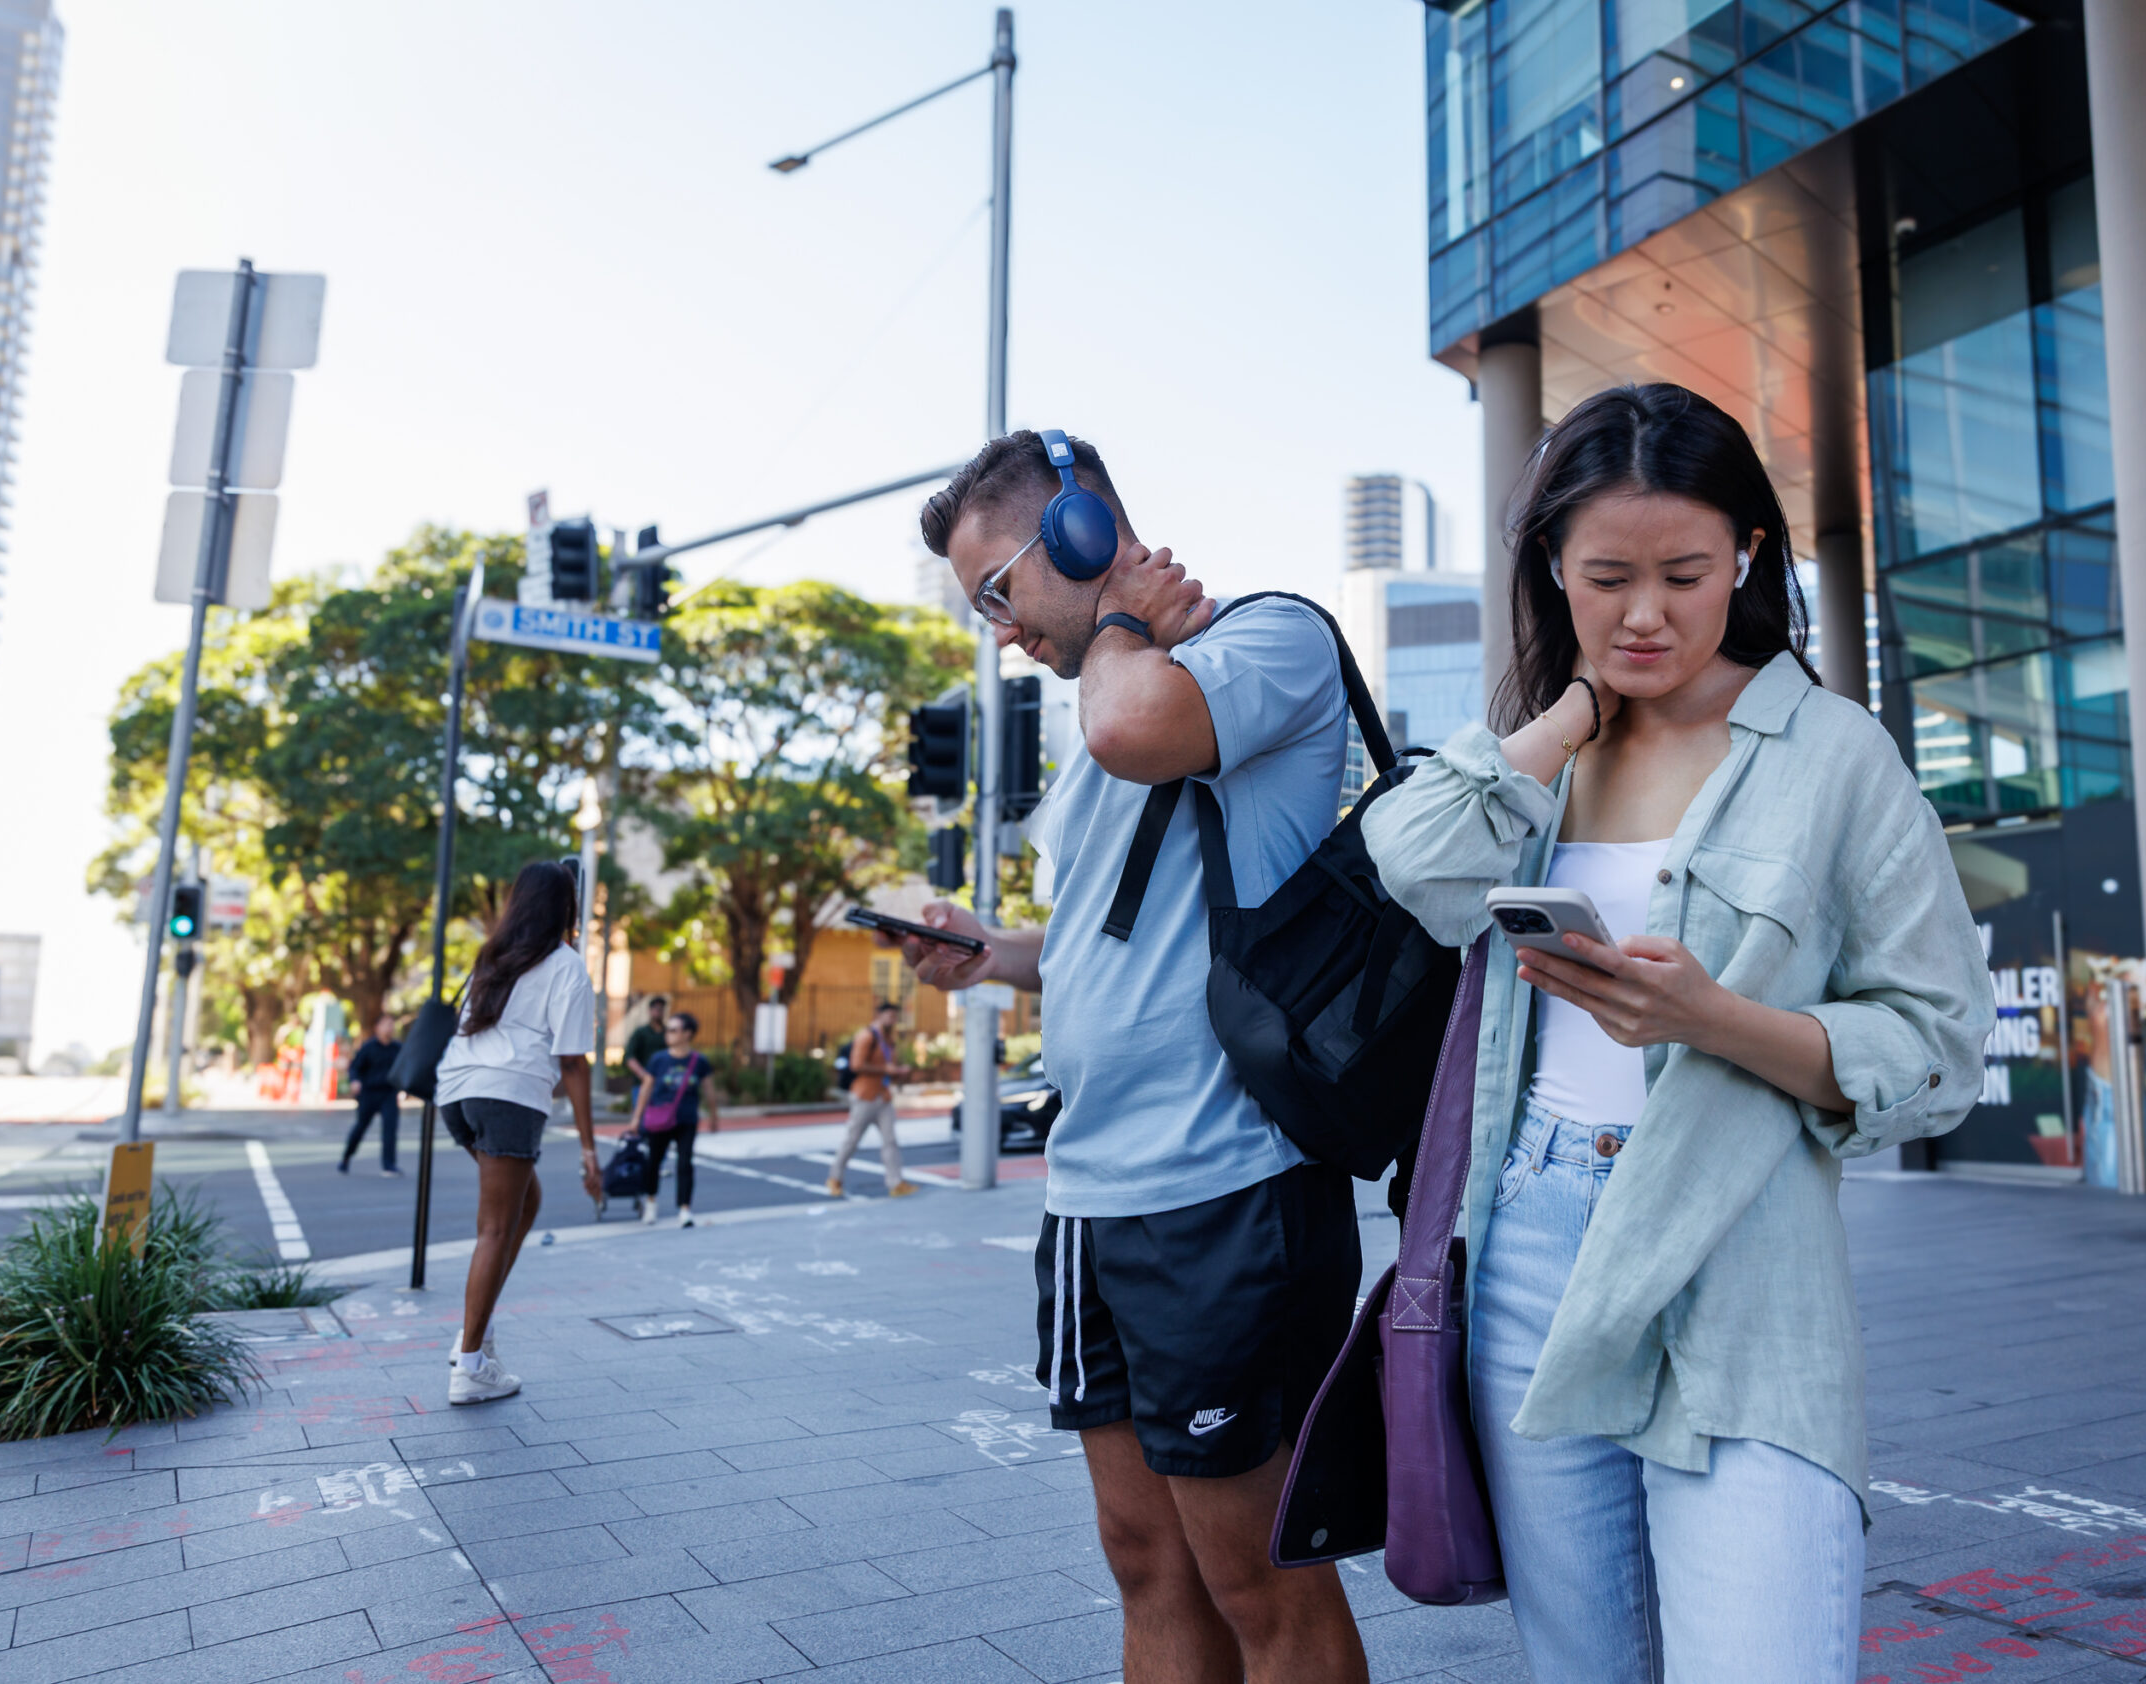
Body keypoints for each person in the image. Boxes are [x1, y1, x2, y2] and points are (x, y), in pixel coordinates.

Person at [1362, 384, 1993, 1682]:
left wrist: (1714, 1020)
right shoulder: (1538, 762)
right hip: (1531, 1239)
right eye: (1606, 576)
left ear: (1750, 557)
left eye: (1685, 573)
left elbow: (1939, 1047)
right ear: (1551, 566)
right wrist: (1571, 713)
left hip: (1741, 1256)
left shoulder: (1833, 755)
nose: (1646, 612)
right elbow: (1410, 868)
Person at [892, 430, 1367, 1684]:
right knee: (1144, 1560)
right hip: (1093, 1199)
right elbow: (1120, 939)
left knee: (1256, 1577)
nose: (1000, 633)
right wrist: (992, 952)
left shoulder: (1261, 645)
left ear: (1086, 534)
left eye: (999, 592)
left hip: (1221, 1190)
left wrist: (1114, 624)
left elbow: (1132, 725)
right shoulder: (1109, 697)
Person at [432, 859, 603, 1405]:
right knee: (496, 1229)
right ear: (566, 907)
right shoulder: (565, 965)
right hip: (507, 1097)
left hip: (457, 1095)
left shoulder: (495, 957)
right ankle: (471, 1365)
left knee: (525, 1205)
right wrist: (588, 1147)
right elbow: (573, 1062)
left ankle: (471, 1335)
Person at [625, 1009, 717, 1226]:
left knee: (685, 1164)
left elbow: (709, 1090)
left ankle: (684, 1209)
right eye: (669, 1030)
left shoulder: (698, 1061)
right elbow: (647, 1088)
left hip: (686, 1119)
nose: (669, 1034)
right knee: (653, 1162)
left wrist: (714, 1117)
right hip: (659, 1119)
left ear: (687, 1034)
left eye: (674, 1030)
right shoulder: (658, 1059)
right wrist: (636, 1118)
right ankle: (650, 1203)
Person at [825, 999, 915, 1200]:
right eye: (889, 1015)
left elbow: (889, 1067)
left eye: (895, 1016)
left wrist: (898, 1072)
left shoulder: (889, 1040)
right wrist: (886, 1069)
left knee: (890, 1141)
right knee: (852, 1140)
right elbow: (856, 1065)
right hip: (865, 1096)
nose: (892, 1019)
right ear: (879, 1015)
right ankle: (835, 1177)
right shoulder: (867, 1036)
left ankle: (896, 1182)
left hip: (883, 1097)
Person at [338, 1014, 403, 1176]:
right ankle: (346, 1157)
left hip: (389, 1093)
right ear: (377, 1027)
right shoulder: (368, 1047)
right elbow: (355, 1068)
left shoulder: (398, 1048)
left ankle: (389, 1165)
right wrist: (355, 1081)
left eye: (391, 1024)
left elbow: (404, 1070)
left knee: (390, 1128)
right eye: (386, 1024)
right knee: (361, 1126)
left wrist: (404, 1088)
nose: (389, 1028)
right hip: (369, 1093)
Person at [621, 996, 668, 1095]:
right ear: (650, 1010)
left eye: (661, 1009)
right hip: (641, 1083)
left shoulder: (668, 1033)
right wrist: (644, 1076)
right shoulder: (641, 1032)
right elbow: (629, 1056)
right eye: (656, 1009)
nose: (659, 1012)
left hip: (665, 1083)